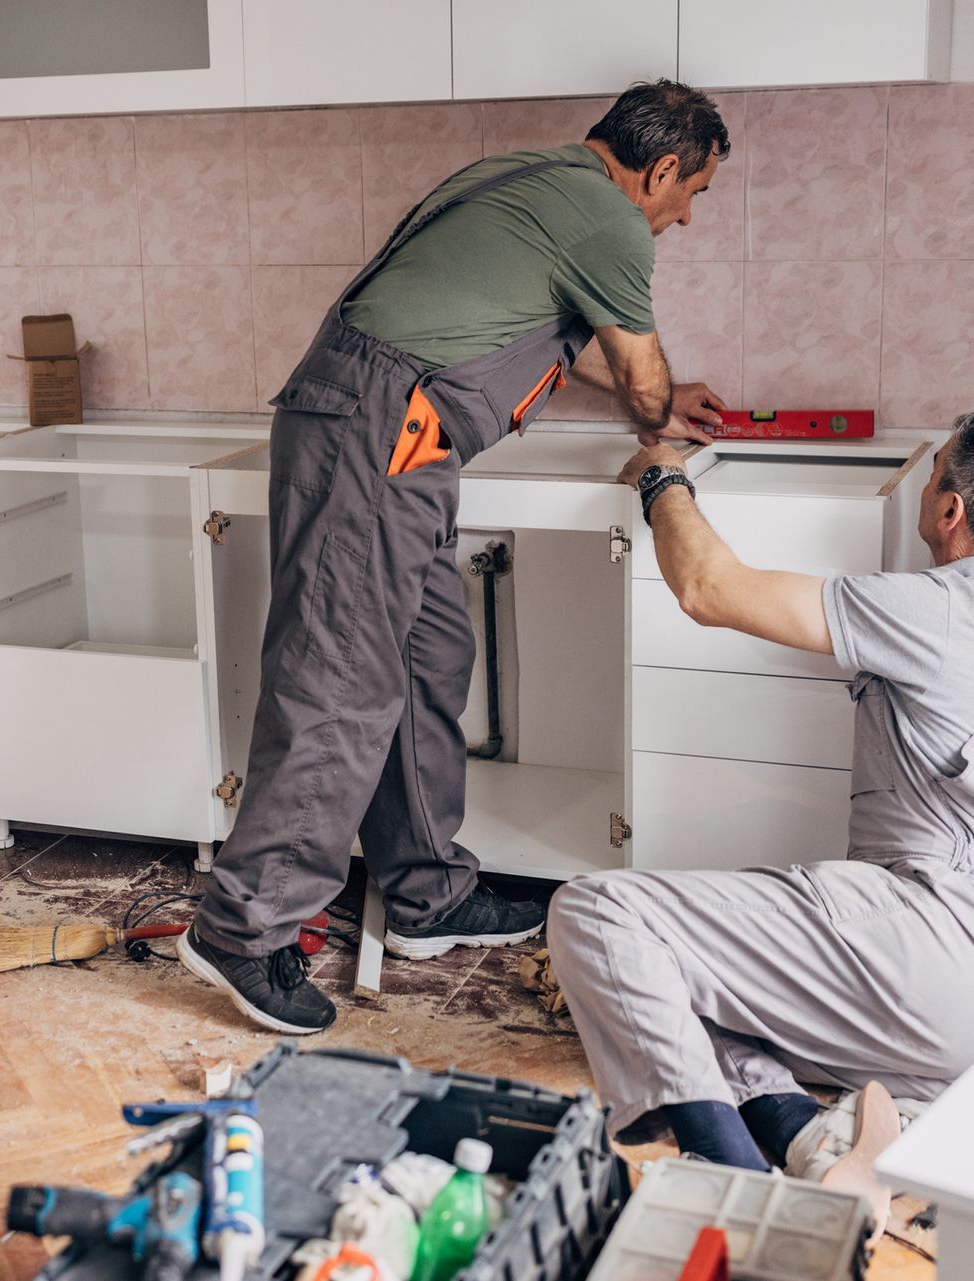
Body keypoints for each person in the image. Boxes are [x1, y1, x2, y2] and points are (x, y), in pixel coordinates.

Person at [182, 80, 734, 1035]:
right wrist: (660, 419)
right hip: (378, 430)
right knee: (342, 679)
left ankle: (427, 892)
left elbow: (574, 349)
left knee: (428, 651)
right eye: (692, 195)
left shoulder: (528, 179)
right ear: (662, 169)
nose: (684, 218)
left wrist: (654, 401)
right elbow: (641, 375)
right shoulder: (613, 222)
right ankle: (244, 924)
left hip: (388, 431)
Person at [548, 410, 974, 1220]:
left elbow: (709, 590)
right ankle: (814, 1144)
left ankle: (733, 1190)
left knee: (599, 914)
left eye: (935, 466)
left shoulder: (942, 614)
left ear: (950, 512)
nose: (928, 477)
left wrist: (661, 476)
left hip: (925, 954)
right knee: (687, 993)